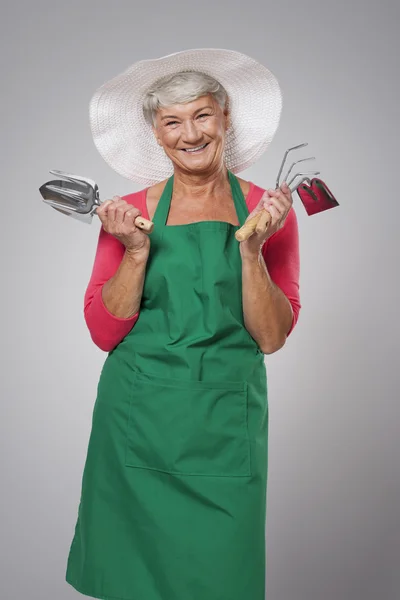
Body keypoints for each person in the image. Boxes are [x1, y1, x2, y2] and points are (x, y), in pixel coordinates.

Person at [65, 48, 301, 600]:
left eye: (201, 115)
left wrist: (252, 252)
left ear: (225, 119)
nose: (189, 133)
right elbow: (104, 332)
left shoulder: (268, 214)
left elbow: (270, 336)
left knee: (222, 577)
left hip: (224, 422)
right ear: (157, 133)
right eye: (173, 121)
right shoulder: (126, 213)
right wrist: (136, 250)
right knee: (132, 580)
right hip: (138, 419)